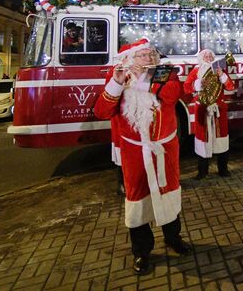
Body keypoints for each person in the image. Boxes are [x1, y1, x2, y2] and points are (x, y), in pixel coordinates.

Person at [93, 38, 189, 275]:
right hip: (134, 151)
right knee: (137, 200)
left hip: (164, 149)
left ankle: (173, 238)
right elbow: (101, 112)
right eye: (142, 55)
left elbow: (173, 94)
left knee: (169, 194)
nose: (148, 58)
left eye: (151, 54)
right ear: (129, 59)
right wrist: (116, 83)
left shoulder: (165, 74)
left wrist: (146, 82)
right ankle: (142, 252)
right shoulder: (119, 79)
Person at [183, 49, 235, 179]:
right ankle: (202, 171)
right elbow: (186, 87)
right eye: (205, 55)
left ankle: (223, 169)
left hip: (218, 110)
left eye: (210, 55)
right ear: (201, 58)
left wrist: (222, 75)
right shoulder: (196, 71)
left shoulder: (219, 70)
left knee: (221, 140)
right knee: (203, 141)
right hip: (203, 109)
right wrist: (198, 84)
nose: (208, 57)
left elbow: (230, 87)